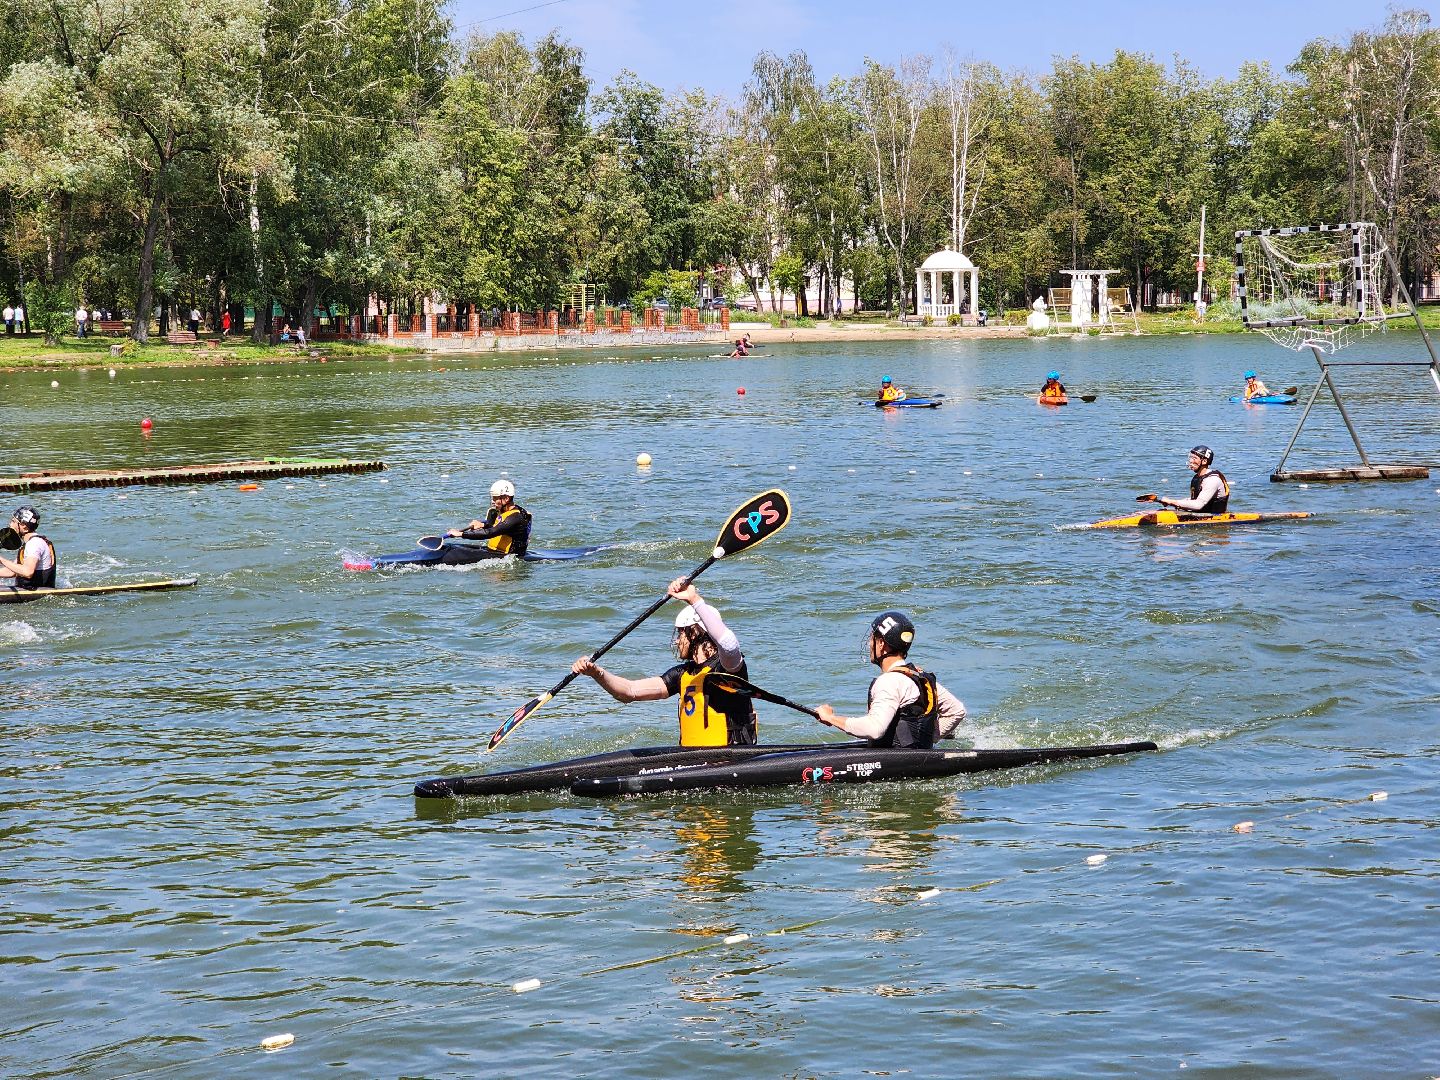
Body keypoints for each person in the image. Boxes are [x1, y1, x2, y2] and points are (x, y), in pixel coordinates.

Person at [571, 580, 757, 746]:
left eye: (681, 634)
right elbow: (629, 692)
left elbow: (728, 643)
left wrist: (694, 599)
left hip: (731, 759)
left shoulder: (728, 667)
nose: (677, 641)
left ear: (694, 633)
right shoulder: (683, 674)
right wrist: (597, 673)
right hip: (695, 762)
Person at [815, 612, 966, 749]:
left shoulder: (889, 681)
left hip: (896, 767)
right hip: (914, 761)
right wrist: (924, 741)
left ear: (881, 643)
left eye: (872, 639)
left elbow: (874, 729)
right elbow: (956, 711)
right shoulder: (920, 677)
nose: (869, 644)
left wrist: (831, 718)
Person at [442, 479, 531, 564]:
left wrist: (460, 534)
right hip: (493, 550)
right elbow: (498, 526)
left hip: (505, 556)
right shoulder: (506, 511)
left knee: (454, 553)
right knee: (451, 546)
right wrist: (482, 525)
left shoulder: (514, 517)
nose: (493, 501)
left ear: (506, 499)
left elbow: (490, 533)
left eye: (495, 498)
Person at [1156, 445, 1229, 514]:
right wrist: (1172, 503)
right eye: (1191, 458)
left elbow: (1198, 505)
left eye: (1194, 458)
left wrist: (1173, 502)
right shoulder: (1197, 478)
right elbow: (1194, 500)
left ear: (1204, 461)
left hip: (1216, 519)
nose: (1191, 461)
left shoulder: (1213, 480)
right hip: (1201, 514)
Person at [0, 506, 57, 591]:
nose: (10, 525)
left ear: (24, 527)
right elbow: (12, 572)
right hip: (28, 589)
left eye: (13, 521)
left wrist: (1, 559)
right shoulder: (30, 543)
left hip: (36, 592)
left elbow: (27, 572)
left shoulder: (34, 544)